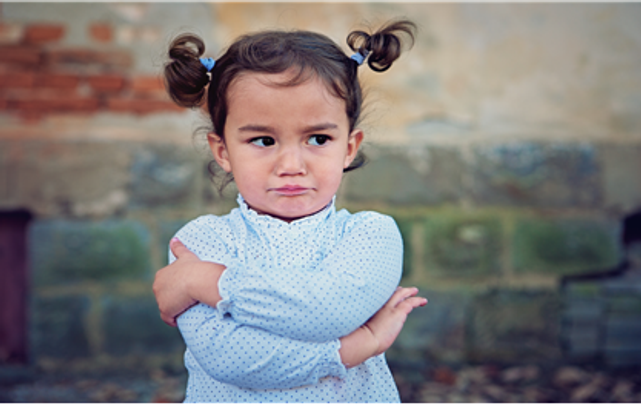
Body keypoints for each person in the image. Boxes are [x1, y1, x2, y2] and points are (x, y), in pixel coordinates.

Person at [153, 19, 427, 403]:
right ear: (223, 151)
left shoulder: (370, 235)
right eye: (263, 140)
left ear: (349, 147)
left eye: (318, 138)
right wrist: (355, 347)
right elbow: (232, 359)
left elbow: (329, 309)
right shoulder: (199, 242)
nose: (291, 164)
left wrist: (209, 283)